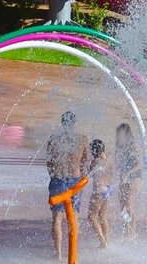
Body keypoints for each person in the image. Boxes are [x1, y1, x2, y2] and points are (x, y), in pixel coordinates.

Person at [47, 111, 89, 262]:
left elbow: (49, 162)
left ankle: (58, 254)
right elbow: (86, 161)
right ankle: (73, 251)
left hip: (58, 179)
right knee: (73, 216)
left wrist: (54, 176)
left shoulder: (54, 139)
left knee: (57, 218)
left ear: (62, 123)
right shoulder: (82, 139)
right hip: (74, 182)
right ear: (74, 123)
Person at [115, 123, 142, 240]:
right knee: (122, 208)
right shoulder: (119, 147)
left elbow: (140, 164)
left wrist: (127, 173)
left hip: (135, 178)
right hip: (123, 178)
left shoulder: (133, 146)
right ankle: (127, 228)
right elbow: (117, 164)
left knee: (129, 205)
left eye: (120, 133)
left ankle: (133, 232)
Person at [87, 139, 113, 249]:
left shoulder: (95, 161)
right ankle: (107, 241)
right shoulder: (108, 161)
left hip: (99, 190)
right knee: (102, 216)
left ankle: (103, 242)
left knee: (91, 217)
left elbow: (87, 175)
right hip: (108, 189)